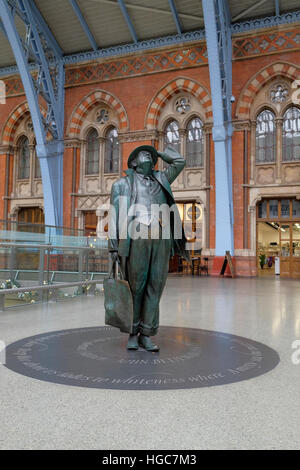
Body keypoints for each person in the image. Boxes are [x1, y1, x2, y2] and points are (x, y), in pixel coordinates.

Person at [108, 145, 189, 351]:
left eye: (151, 156)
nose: (148, 157)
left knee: (155, 287)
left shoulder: (161, 179)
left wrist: (159, 153)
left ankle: (147, 333)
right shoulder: (122, 184)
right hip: (136, 239)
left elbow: (179, 162)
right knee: (136, 287)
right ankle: (132, 333)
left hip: (161, 239)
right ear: (133, 162)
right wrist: (113, 248)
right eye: (143, 154)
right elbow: (114, 215)